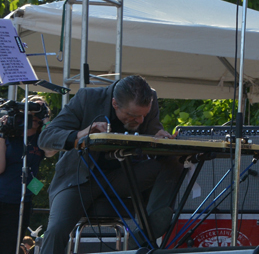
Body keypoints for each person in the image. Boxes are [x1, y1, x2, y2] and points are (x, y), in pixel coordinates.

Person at [37, 75, 183, 254]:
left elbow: (152, 130)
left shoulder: (149, 99)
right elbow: (46, 138)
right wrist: (81, 134)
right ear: (115, 104)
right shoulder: (87, 98)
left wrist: (159, 137)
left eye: (144, 115)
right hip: (80, 178)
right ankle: (145, 233)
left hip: (123, 176)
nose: (140, 121)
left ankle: (146, 231)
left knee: (173, 161)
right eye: (133, 116)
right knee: (56, 229)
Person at [0, 96, 55, 254]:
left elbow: (51, 151)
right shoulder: (10, 132)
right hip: (2, 194)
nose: (35, 116)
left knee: (10, 246)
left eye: (41, 111)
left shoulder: (41, 139)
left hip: (21, 201)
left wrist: (46, 120)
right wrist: (2, 134)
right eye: (32, 110)